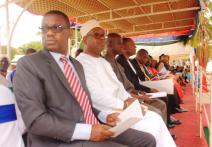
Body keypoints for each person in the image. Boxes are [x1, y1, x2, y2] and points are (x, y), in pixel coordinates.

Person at [13, 10, 156, 147]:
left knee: (147, 140)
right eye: (44, 28)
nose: (49, 33)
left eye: (56, 27)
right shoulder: (29, 64)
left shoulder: (76, 65)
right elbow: (35, 120)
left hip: (94, 125)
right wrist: (87, 132)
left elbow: (82, 103)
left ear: (69, 33)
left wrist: (105, 116)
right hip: (59, 140)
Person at [76, 19, 176, 147]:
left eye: (103, 36)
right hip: (107, 114)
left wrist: (131, 101)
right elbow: (95, 95)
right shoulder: (81, 63)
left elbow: (119, 88)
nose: (102, 39)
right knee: (151, 127)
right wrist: (124, 104)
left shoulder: (103, 62)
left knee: (155, 118)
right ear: (85, 40)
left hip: (123, 109)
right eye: (97, 35)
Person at [105, 33, 167, 123]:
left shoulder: (118, 63)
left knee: (161, 104)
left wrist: (140, 93)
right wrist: (139, 97)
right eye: (119, 43)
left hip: (133, 94)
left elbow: (129, 85)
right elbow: (119, 91)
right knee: (156, 112)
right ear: (109, 44)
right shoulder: (108, 63)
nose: (121, 46)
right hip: (125, 100)